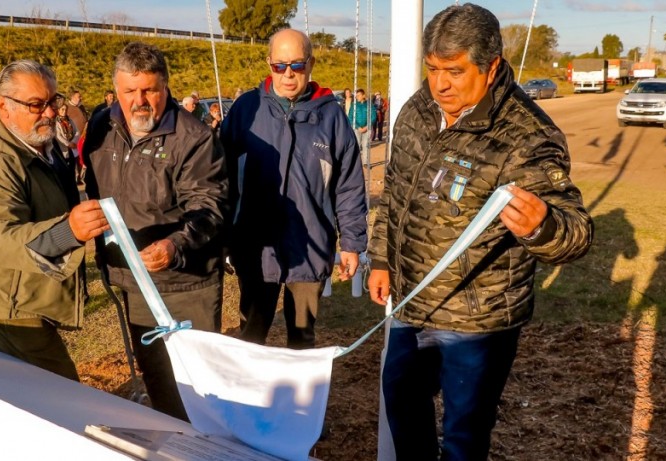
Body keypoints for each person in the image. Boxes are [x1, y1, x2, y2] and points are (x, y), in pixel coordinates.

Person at [367, 4, 594, 460]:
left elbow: (577, 232)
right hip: (412, 305)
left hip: (476, 322)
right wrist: (381, 258)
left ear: (491, 68)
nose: (440, 84)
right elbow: (395, 190)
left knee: (463, 437)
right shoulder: (420, 107)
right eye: (431, 70)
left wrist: (543, 227)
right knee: (402, 404)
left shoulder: (528, 137)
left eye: (453, 71)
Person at [82, 42, 227, 421]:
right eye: (130, 91)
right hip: (129, 278)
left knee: (197, 388)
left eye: (150, 90)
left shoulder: (194, 138)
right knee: (157, 377)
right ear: (116, 90)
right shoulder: (101, 126)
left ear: (166, 87)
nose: (140, 101)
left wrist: (176, 244)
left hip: (184, 283)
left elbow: (210, 206)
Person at [0, 60, 110, 381]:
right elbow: (0, 239)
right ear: (3, 106)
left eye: (54, 100)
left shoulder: (38, 139)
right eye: (36, 104)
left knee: (13, 390)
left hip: (22, 289)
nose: (51, 113)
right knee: (61, 392)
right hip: (11, 303)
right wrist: (69, 231)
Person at [220, 28, 368, 350]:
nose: (288, 74)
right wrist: (222, 236)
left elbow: (349, 187)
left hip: (310, 247)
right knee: (250, 336)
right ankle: (249, 396)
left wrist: (353, 243)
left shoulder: (332, 117)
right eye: (280, 65)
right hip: (256, 248)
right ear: (269, 63)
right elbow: (221, 179)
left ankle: (298, 400)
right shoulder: (246, 110)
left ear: (311, 64)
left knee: (302, 339)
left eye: (297, 65)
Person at [348, 88, 375, 165]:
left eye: (359, 95)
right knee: (357, 145)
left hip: (367, 128)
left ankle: (365, 162)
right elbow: (350, 117)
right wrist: (357, 127)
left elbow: (373, 116)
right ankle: (356, 163)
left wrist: (367, 126)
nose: (357, 97)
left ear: (363, 95)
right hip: (357, 129)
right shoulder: (354, 105)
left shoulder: (369, 105)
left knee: (366, 145)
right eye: (356, 96)